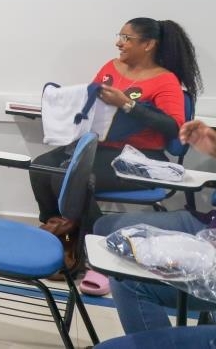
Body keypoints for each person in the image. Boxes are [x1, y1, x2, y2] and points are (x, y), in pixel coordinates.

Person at [30, 18, 201, 244]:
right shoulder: (111, 67)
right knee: (40, 168)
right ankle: (59, 237)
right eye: (120, 37)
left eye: (126, 38)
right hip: (98, 148)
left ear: (148, 44)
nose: (118, 43)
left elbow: (174, 128)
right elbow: (90, 102)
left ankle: (94, 243)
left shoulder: (165, 80)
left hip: (140, 158)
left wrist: (127, 105)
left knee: (66, 177)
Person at [91, 119, 216, 349]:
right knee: (107, 229)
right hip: (208, 225)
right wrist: (213, 146)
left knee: (129, 282)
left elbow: (167, 124)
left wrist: (128, 106)